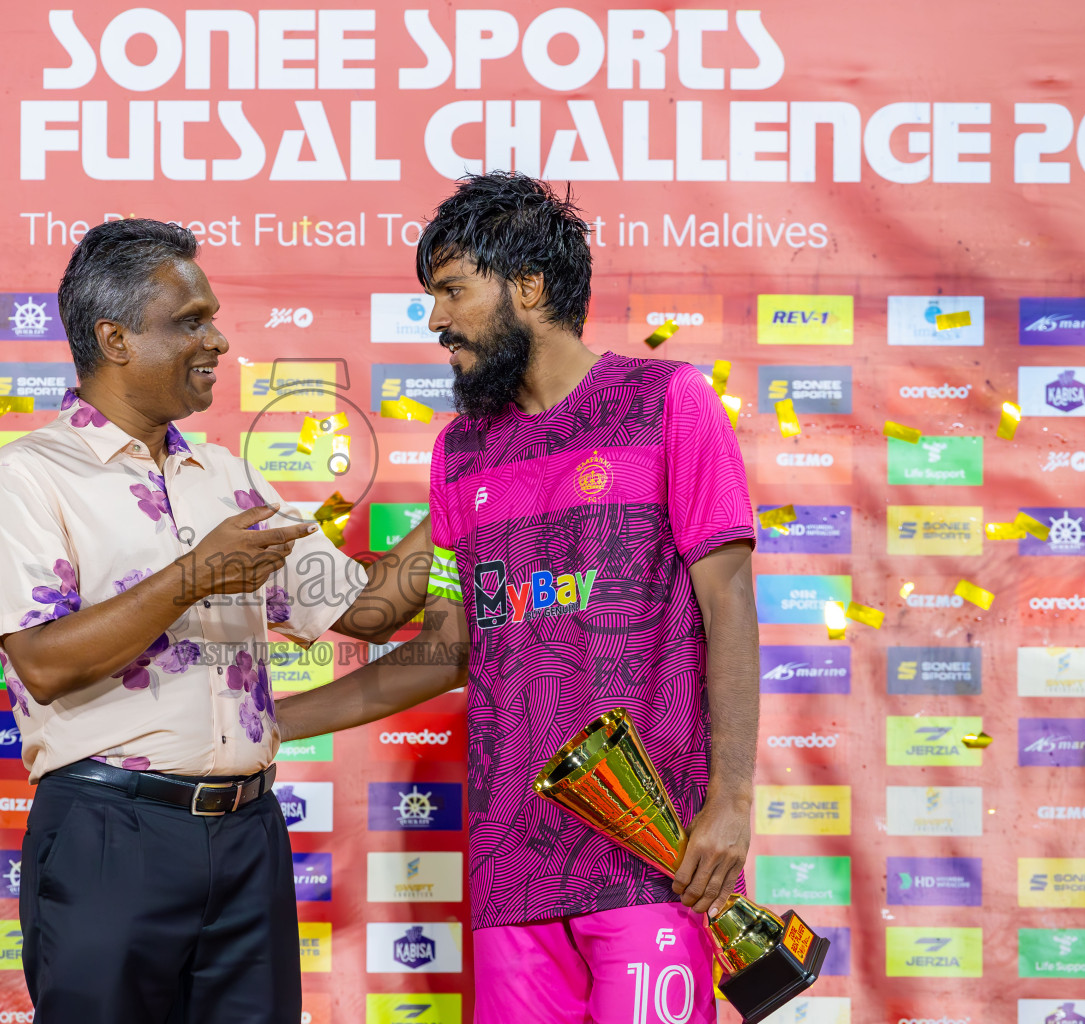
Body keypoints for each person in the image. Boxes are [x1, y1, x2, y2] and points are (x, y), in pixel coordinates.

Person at [277, 172, 760, 1024]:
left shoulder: (666, 403)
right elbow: (446, 648)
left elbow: (730, 612)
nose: (436, 322)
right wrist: (270, 721)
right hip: (510, 868)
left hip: (656, 859)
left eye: (452, 292)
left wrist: (731, 804)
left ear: (529, 287)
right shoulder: (461, 453)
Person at [0, 218, 428, 1024]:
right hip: (108, 834)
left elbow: (369, 607)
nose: (217, 340)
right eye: (191, 322)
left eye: (212, 318)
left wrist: (465, 490)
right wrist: (196, 576)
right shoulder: (28, 478)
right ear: (114, 339)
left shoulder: (228, 479)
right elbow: (39, 662)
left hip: (249, 834)